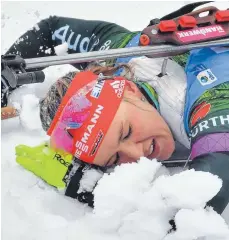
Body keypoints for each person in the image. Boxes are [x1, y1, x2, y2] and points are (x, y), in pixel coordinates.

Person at [3, 2, 229, 214]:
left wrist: (98, 195)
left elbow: (212, 180)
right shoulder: (113, 52)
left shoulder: (211, 98)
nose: (137, 155)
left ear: (130, 90)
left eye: (126, 131)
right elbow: (51, 31)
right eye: (114, 159)